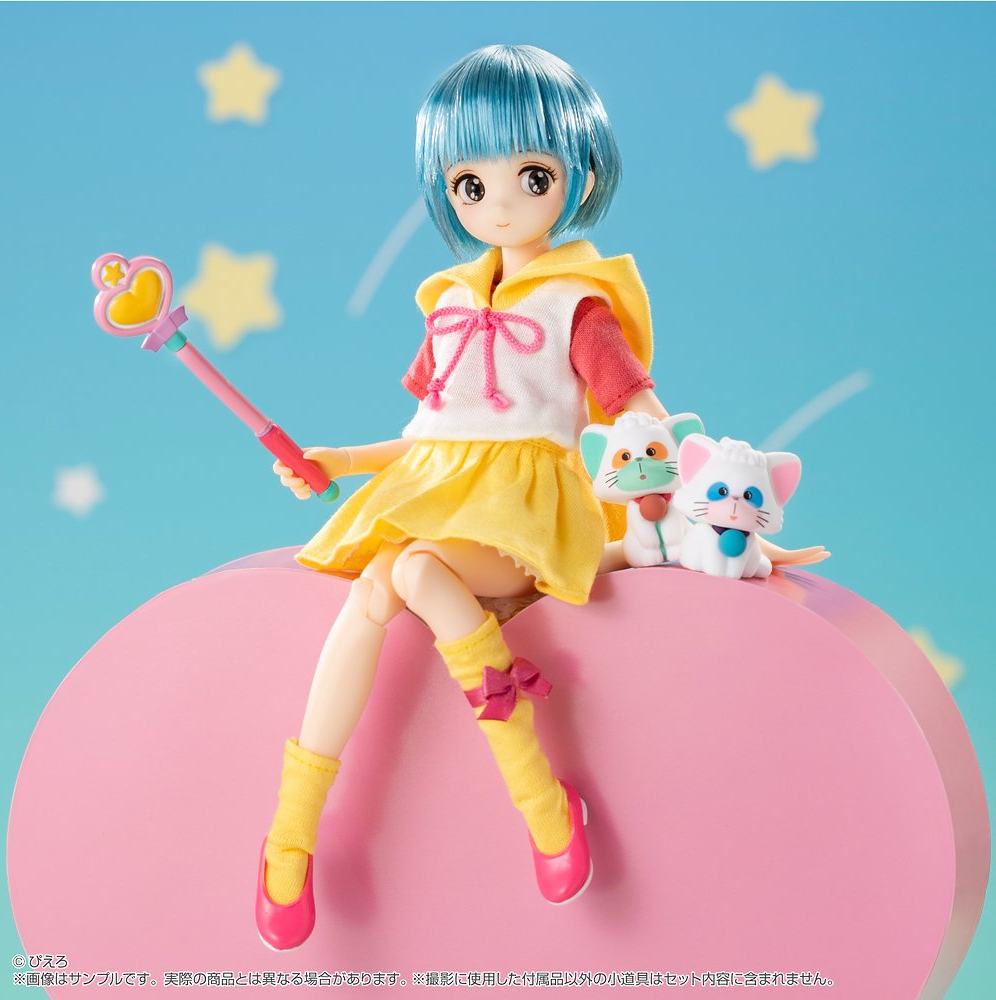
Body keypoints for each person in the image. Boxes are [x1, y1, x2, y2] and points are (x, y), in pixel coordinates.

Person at [255, 44, 822, 950]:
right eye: (469, 183)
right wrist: (338, 460)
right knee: (382, 584)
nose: (500, 203)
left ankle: (536, 800)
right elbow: (429, 433)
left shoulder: (578, 304)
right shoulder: (447, 301)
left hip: (524, 509)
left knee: (417, 569)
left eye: (530, 176)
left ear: (578, 174)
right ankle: (292, 834)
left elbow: (638, 411)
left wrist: (699, 490)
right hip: (436, 491)